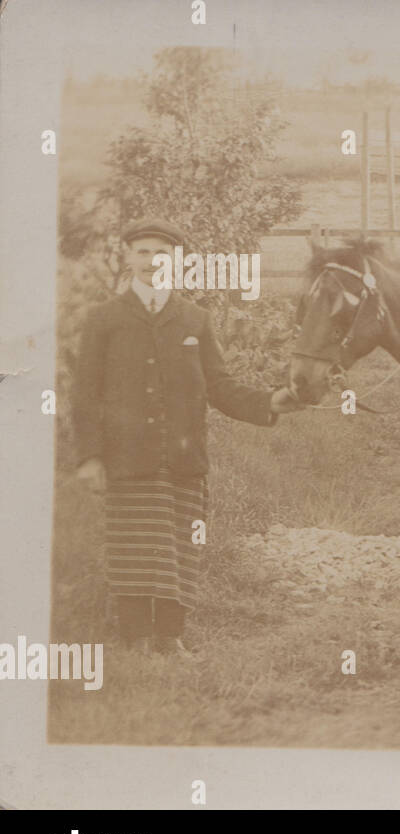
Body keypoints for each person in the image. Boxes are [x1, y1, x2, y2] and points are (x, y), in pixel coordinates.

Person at [71, 219, 302, 654]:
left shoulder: (195, 319)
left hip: (182, 459)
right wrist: (90, 457)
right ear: (128, 257)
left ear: (176, 261)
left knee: (180, 544)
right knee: (132, 546)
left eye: (162, 253)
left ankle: (170, 636)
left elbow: (220, 386)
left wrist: (270, 401)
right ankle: (136, 636)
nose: (151, 261)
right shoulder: (105, 320)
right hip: (127, 459)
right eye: (142, 252)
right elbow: (85, 395)